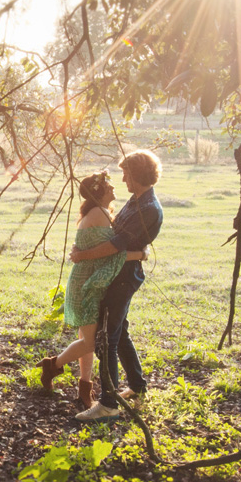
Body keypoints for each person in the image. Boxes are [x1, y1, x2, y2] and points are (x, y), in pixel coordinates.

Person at [37, 172, 147, 412]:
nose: (113, 186)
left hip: (90, 282)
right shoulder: (99, 214)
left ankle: (84, 386)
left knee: (86, 337)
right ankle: (53, 364)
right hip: (87, 285)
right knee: (91, 341)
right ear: (99, 192)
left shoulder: (100, 213)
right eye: (108, 184)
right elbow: (110, 252)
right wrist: (140, 255)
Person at [71, 149, 163, 421]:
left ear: (138, 175)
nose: (123, 180)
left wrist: (81, 256)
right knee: (119, 332)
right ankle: (137, 385)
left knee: (106, 339)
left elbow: (114, 246)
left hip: (123, 278)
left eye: (126, 174)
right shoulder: (137, 201)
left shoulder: (148, 209)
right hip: (115, 274)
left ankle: (108, 403)